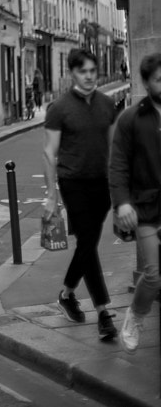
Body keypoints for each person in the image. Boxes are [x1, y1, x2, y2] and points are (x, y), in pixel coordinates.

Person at [43, 47, 119, 341]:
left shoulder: (107, 104)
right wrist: (52, 194)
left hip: (102, 185)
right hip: (73, 184)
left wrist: (119, 186)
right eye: (82, 71)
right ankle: (103, 312)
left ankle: (66, 294)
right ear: (72, 73)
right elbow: (50, 153)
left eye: (92, 71)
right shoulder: (58, 108)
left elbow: (114, 149)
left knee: (87, 245)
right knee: (88, 242)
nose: (89, 76)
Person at [109, 52, 161, 352]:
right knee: (153, 276)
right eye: (159, 80)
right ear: (146, 82)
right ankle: (136, 315)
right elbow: (117, 166)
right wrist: (122, 204)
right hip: (148, 208)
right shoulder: (131, 119)